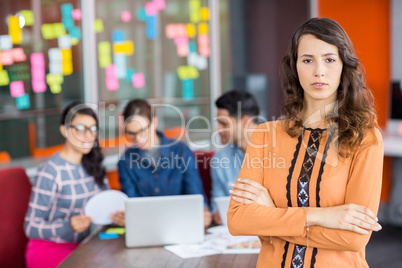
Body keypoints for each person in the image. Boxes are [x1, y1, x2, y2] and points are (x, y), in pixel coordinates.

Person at [227, 17, 384, 267]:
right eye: (307, 60)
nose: (319, 71)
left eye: (329, 59)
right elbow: (238, 221)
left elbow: (354, 238)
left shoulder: (365, 138)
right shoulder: (265, 135)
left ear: (343, 66)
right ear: (295, 67)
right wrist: (320, 216)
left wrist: (272, 218)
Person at [24, 102, 124, 268]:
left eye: (93, 129)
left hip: (85, 246)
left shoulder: (94, 165)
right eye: (80, 128)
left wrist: (118, 216)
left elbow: (106, 205)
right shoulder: (50, 171)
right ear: (64, 130)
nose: (89, 135)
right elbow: (30, 226)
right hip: (51, 248)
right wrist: (67, 226)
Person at [118, 99, 212, 227]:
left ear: (154, 122)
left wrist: (203, 212)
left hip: (182, 224)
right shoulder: (126, 161)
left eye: (142, 131)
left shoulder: (181, 152)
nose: (138, 138)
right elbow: (132, 205)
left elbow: (196, 196)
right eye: (131, 133)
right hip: (146, 227)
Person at [211, 90, 260, 224]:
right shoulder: (220, 159)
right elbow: (217, 205)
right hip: (234, 233)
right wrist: (218, 214)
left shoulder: (280, 152)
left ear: (245, 121)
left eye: (224, 124)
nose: (218, 129)